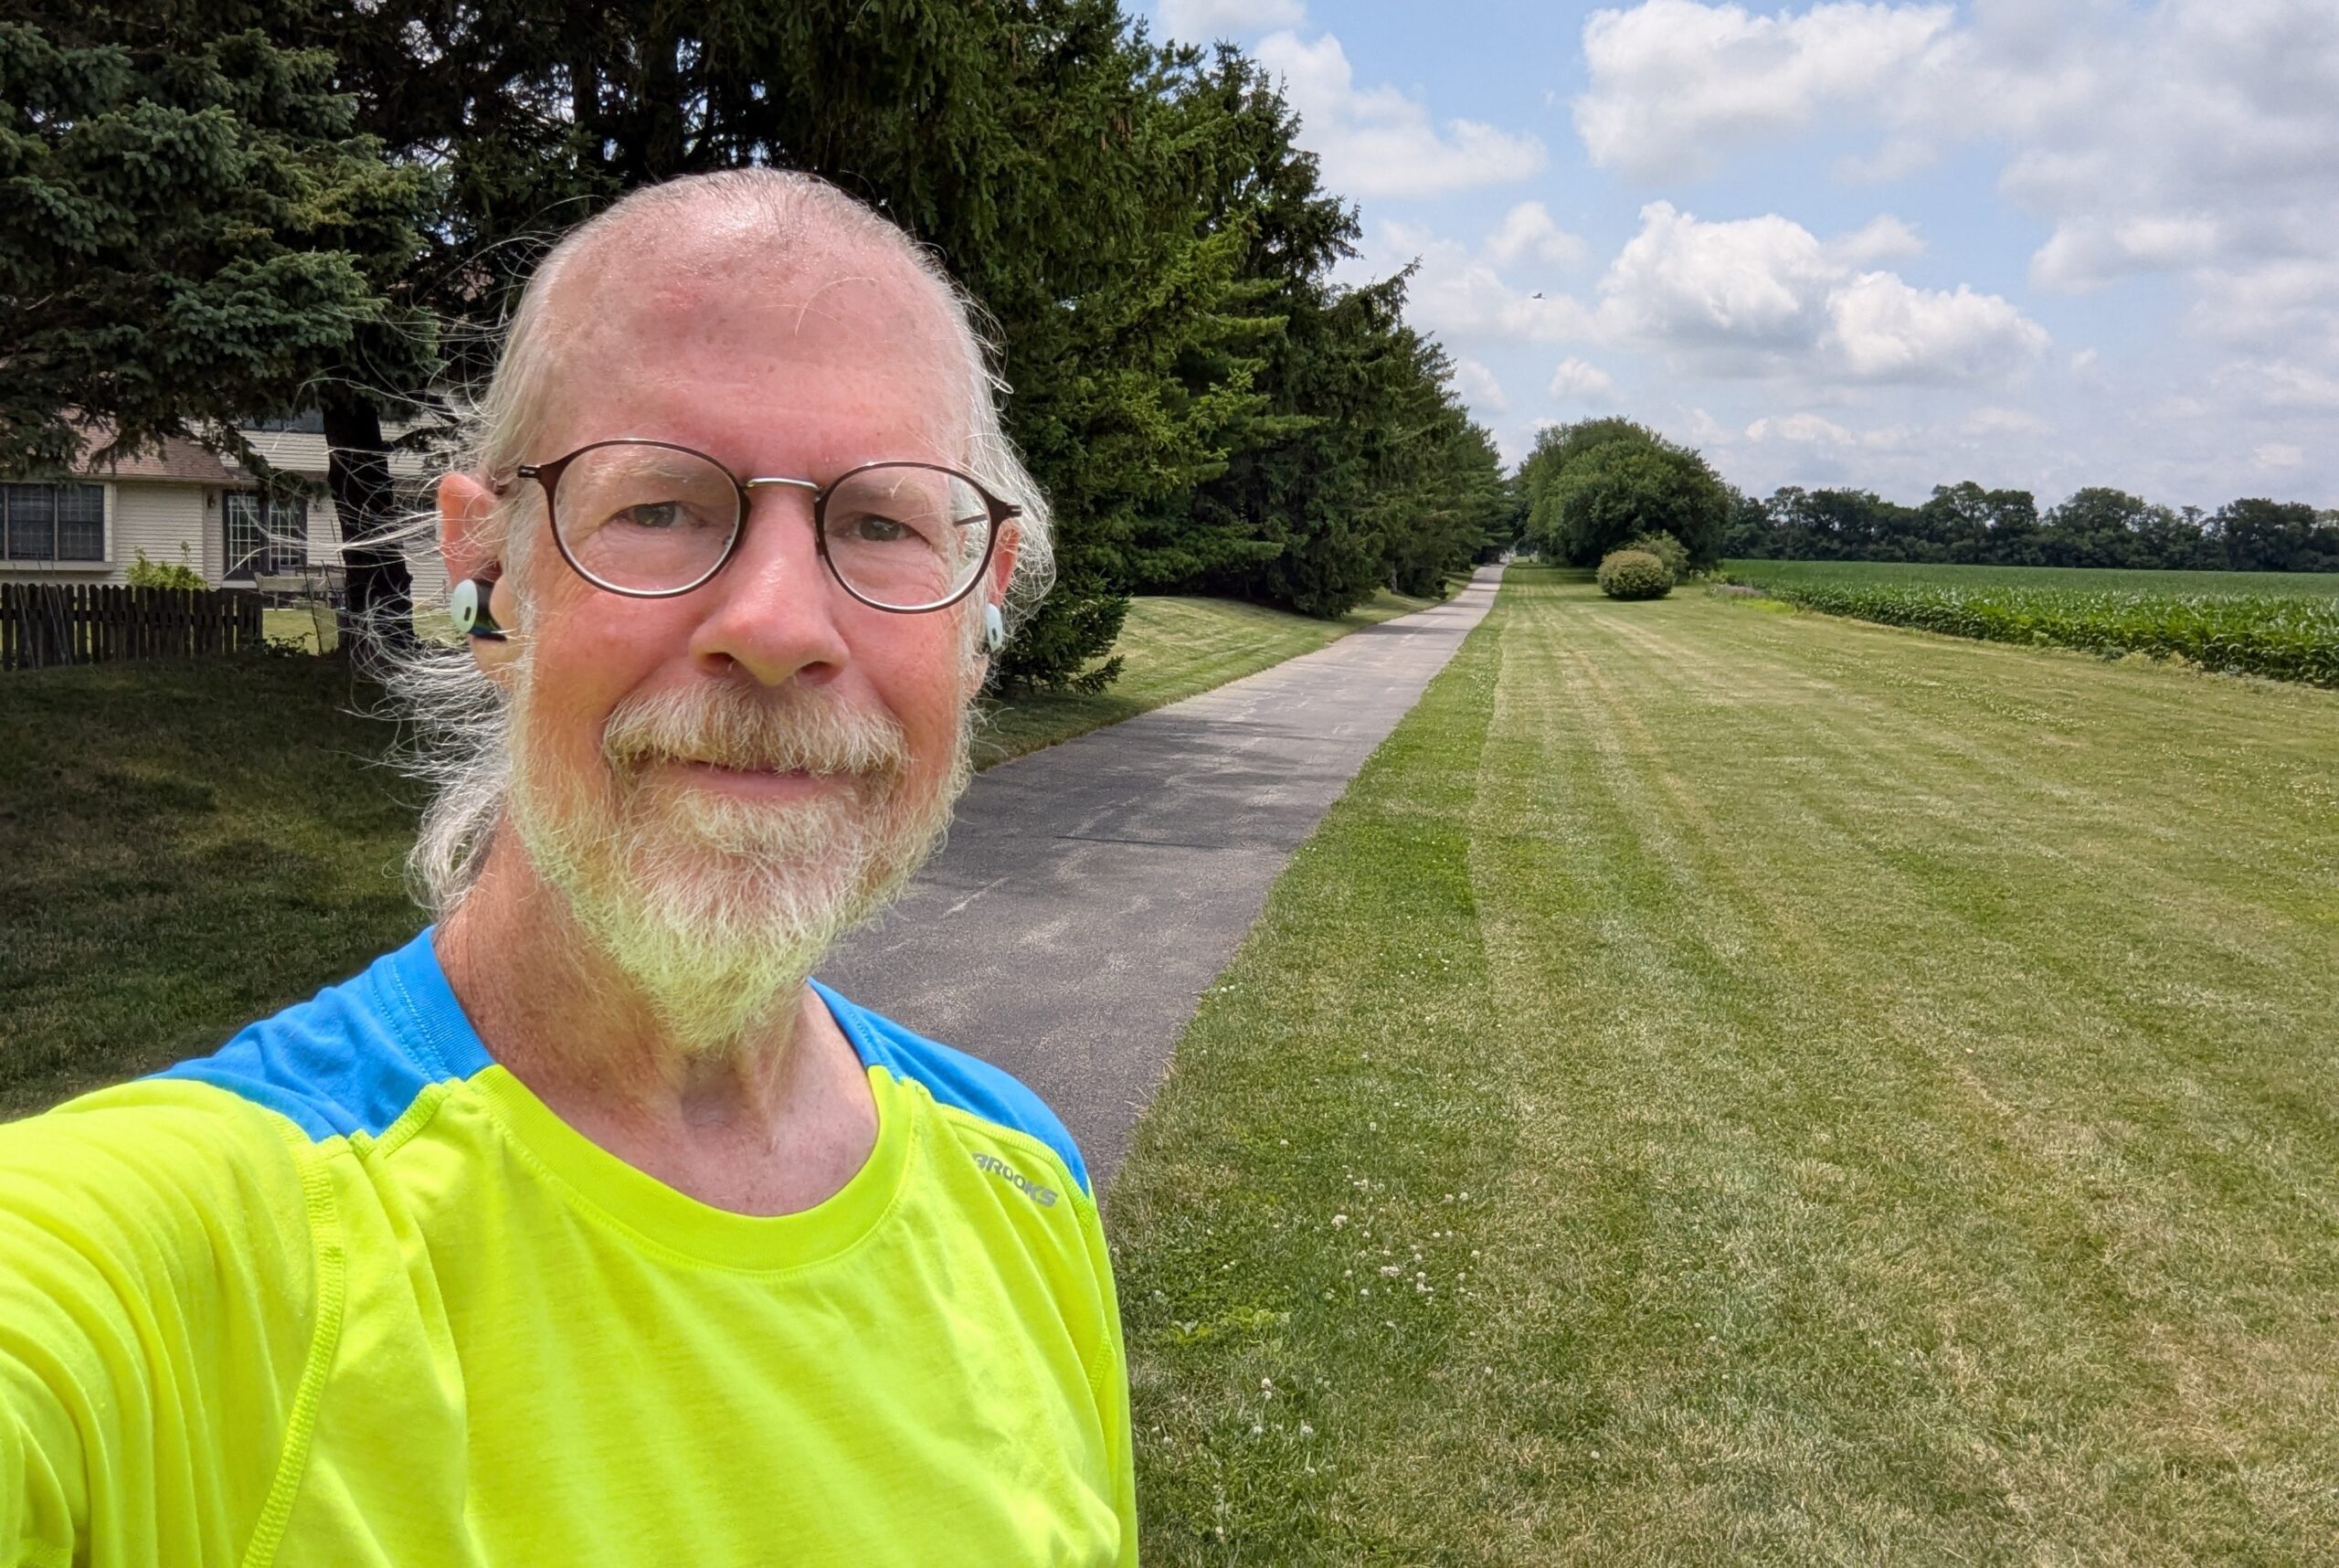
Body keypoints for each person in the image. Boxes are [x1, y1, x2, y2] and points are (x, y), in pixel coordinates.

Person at [0, 170, 1137, 1565]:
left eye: (881, 525)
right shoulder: (174, 1257)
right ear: (488, 576)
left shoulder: (1025, 1180)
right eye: (660, 505)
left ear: (982, 609)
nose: (778, 624)